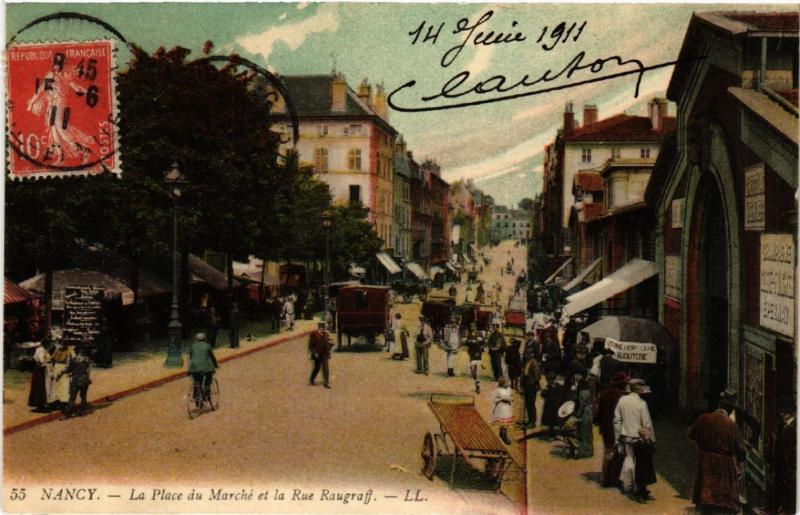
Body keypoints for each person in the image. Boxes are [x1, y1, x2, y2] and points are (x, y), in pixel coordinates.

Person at [688, 391, 747, 514]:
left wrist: (703, 444)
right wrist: (740, 463)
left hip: (705, 461)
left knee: (706, 493)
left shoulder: (704, 418)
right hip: (724, 464)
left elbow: (691, 434)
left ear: (719, 406)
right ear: (730, 409)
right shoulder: (730, 424)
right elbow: (740, 449)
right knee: (722, 497)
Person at [614, 378, 655, 502]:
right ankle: (639, 486)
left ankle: (628, 486)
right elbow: (646, 422)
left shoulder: (622, 400)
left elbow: (617, 420)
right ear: (638, 389)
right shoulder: (641, 403)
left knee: (628, 458)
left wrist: (618, 436)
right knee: (641, 462)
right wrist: (651, 438)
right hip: (640, 437)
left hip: (626, 435)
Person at [595, 371, 629, 487]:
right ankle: (614, 477)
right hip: (617, 428)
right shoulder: (621, 397)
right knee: (619, 453)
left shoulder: (604, 394)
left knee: (608, 451)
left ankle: (606, 478)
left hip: (606, 428)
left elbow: (598, 412)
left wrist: (599, 424)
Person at [774, 395, 796, 514]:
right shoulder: (785, 426)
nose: (781, 415)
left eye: (784, 412)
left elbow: (790, 452)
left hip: (788, 469)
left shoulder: (790, 428)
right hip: (783, 468)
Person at [58, 346, 92, 418]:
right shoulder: (87, 359)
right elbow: (88, 370)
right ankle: (82, 411)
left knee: (72, 397)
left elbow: (68, 369)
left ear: (76, 352)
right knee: (83, 396)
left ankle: (67, 413)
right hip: (84, 380)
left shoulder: (74, 360)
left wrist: (61, 373)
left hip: (75, 380)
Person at [187, 333, 219, 404]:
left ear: (196, 339)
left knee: (197, 381)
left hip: (194, 368)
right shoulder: (207, 346)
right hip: (205, 368)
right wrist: (216, 365)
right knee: (208, 378)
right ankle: (206, 393)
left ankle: (197, 395)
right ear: (204, 339)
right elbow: (212, 357)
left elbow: (191, 356)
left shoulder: (193, 346)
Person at [49, 340, 74, 409]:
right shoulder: (57, 350)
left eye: (63, 344)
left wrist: (61, 372)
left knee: (63, 386)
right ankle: (55, 402)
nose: (62, 345)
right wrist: (52, 370)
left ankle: (63, 403)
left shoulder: (68, 352)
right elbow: (52, 359)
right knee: (54, 386)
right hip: (56, 368)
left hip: (63, 371)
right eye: (61, 344)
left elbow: (68, 364)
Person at [28, 341, 52, 412]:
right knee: (41, 386)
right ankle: (41, 404)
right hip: (40, 369)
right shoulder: (41, 350)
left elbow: (34, 358)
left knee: (36, 386)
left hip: (36, 368)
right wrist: (47, 363)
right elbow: (42, 361)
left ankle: (38, 403)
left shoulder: (38, 349)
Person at [308, 322, 333, 388]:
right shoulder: (314, 334)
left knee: (326, 368)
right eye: (321, 328)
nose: (322, 329)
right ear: (319, 328)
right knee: (317, 368)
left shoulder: (326, 334)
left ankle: (326, 383)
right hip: (317, 354)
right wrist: (314, 353)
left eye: (323, 328)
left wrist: (330, 348)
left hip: (324, 354)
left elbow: (327, 345)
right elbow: (311, 346)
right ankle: (312, 379)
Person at [491, 377, 514, 445]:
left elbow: (512, 397)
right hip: (501, 408)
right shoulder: (497, 390)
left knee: (506, 422)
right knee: (503, 422)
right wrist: (501, 399)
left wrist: (509, 399)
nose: (507, 384)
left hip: (507, 408)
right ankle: (504, 436)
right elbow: (493, 399)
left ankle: (502, 434)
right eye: (505, 383)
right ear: (502, 383)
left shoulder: (509, 390)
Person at [521, 354, 542, 428]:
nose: (527, 356)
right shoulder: (528, 362)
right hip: (527, 386)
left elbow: (536, 377)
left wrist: (530, 383)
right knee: (527, 404)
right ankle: (529, 420)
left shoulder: (534, 364)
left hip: (532, 387)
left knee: (531, 404)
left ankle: (532, 422)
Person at [574, 386, 594, 458]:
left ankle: (584, 452)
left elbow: (582, 404)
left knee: (583, 433)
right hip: (589, 413)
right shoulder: (588, 392)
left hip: (584, 414)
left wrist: (577, 415)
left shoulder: (582, 392)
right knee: (588, 434)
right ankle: (590, 451)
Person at [465, 324, 485, 393]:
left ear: (475, 327)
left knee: (476, 366)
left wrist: (477, 341)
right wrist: (469, 341)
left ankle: (476, 380)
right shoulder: (470, 334)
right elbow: (466, 343)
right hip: (471, 352)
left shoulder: (480, 333)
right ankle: (474, 375)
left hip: (477, 352)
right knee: (472, 365)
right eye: (471, 327)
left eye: (473, 327)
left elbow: (483, 342)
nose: (471, 328)